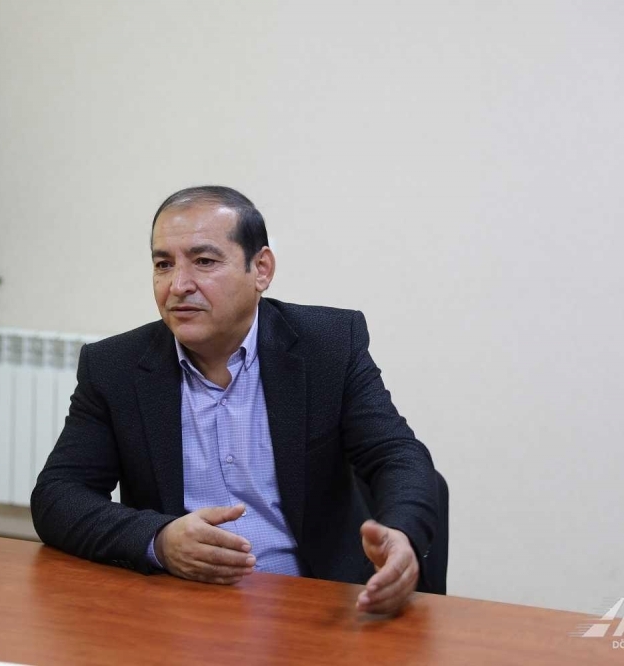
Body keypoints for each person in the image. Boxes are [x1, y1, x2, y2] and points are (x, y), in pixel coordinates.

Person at [32, 186, 438, 614]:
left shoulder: (328, 346)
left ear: (261, 269)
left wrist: (402, 536)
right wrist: (159, 540)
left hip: (312, 605)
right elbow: (58, 495)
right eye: (163, 264)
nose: (178, 285)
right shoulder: (115, 367)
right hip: (177, 608)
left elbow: (396, 455)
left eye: (204, 262)